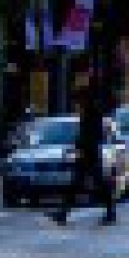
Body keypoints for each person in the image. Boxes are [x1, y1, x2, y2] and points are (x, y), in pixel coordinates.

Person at [50, 89, 116, 226]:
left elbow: (89, 134)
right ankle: (63, 213)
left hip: (89, 152)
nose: (77, 104)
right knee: (83, 183)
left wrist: (80, 145)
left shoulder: (91, 113)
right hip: (89, 151)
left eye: (78, 101)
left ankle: (63, 213)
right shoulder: (92, 112)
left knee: (87, 183)